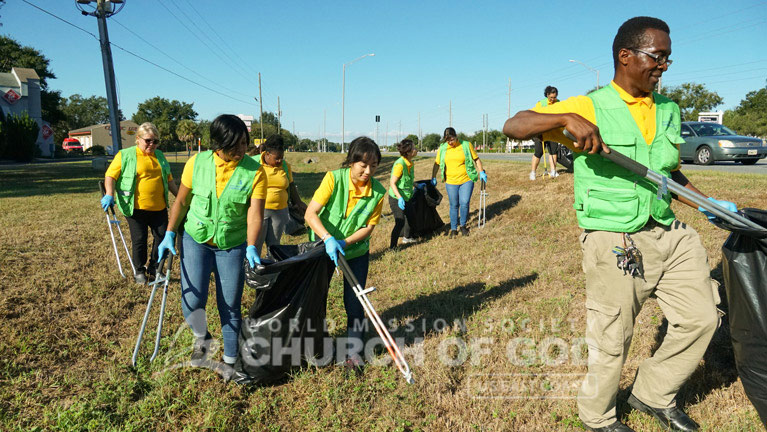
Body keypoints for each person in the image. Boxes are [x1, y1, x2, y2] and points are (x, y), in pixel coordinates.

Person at [503, 17, 738, 432]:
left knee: (703, 317)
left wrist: (705, 203)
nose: (663, 66)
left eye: (668, 58)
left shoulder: (667, 108)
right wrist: (569, 120)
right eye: (657, 56)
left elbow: (669, 173)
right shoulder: (591, 105)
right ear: (625, 56)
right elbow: (515, 124)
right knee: (613, 337)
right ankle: (598, 417)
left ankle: (653, 394)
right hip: (616, 236)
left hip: (668, 229)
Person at [157, 114, 266, 369]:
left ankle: (230, 359)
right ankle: (202, 338)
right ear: (218, 145)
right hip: (196, 239)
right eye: (234, 145)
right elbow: (182, 201)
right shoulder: (196, 163)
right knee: (192, 301)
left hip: (233, 245)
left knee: (229, 304)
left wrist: (251, 245)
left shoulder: (255, 170)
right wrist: (170, 232)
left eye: (244, 143)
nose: (241, 150)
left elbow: (255, 213)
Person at [304, 137, 386, 374]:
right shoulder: (333, 179)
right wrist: (328, 239)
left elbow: (368, 228)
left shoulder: (378, 192)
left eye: (374, 166)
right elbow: (311, 214)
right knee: (316, 299)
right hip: (323, 249)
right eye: (363, 165)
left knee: (355, 302)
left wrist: (344, 242)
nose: (368, 171)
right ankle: (316, 347)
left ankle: (354, 353)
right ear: (352, 161)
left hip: (355, 252)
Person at [101, 122, 179, 284]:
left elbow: (170, 180)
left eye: (155, 141)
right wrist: (109, 193)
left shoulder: (160, 156)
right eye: (148, 140)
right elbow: (110, 176)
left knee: (162, 237)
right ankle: (139, 271)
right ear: (138, 139)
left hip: (159, 207)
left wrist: (180, 198)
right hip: (135, 207)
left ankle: (155, 267)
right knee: (139, 240)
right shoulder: (126, 155)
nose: (152, 144)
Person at [254, 134, 307, 257]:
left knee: (274, 247)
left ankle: (272, 272)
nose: (280, 161)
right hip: (259, 211)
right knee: (255, 244)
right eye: (277, 158)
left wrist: (298, 202)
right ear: (267, 154)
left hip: (279, 211)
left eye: (282, 158)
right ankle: (253, 271)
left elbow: (291, 185)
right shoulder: (254, 163)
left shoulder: (284, 165)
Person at [430, 127, 487, 238]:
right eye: (448, 140)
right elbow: (436, 164)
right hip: (451, 181)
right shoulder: (443, 148)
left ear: (456, 136)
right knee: (454, 205)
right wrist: (433, 177)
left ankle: (463, 225)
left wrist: (481, 172)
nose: (450, 142)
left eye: (452, 139)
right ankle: (453, 228)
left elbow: (476, 159)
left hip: (466, 179)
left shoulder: (466, 145)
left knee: (464, 202)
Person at [388, 138, 418, 249]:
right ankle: (392, 247)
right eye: (414, 148)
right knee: (400, 221)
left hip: (407, 196)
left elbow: (407, 180)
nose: (416, 150)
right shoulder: (400, 165)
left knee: (411, 217)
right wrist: (400, 198)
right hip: (396, 198)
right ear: (409, 152)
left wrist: (416, 185)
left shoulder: (410, 162)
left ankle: (407, 237)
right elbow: (392, 183)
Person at [530, 86, 561, 180]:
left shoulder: (558, 102)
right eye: (551, 97)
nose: (552, 99)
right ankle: (533, 173)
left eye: (554, 97)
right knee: (538, 152)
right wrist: (539, 130)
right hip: (540, 131)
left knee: (553, 151)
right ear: (547, 95)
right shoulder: (541, 103)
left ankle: (553, 171)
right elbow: (535, 117)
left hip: (553, 131)